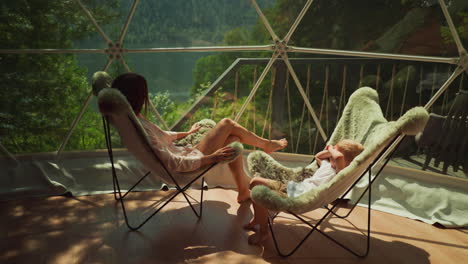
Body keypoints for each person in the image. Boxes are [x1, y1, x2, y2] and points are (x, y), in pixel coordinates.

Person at [111, 72, 288, 203]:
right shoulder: (140, 127)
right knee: (227, 124)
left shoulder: (131, 120)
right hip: (184, 165)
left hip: (185, 154)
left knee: (234, 139)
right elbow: (173, 163)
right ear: (136, 96)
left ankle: (243, 191)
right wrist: (211, 157)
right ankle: (267, 145)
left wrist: (188, 134)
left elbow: (163, 137)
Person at [244, 139, 364, 245]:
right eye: (331, 154)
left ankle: (264, 230)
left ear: (347, 163)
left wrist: (332, 149)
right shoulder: (327, 164)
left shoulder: (339, 172)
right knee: (254, 182)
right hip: (293, 187)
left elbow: (339, 158)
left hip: (299, 197)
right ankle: (259, 218)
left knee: (260, 193)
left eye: (333, 154)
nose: (331, 156)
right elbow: (318, 156)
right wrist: (330, 151)